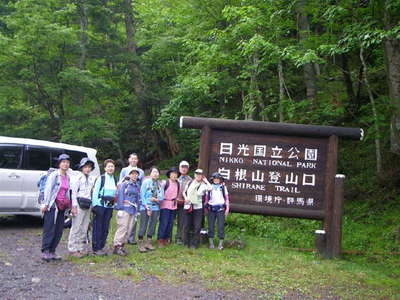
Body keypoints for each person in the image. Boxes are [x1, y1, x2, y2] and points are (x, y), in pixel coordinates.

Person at [40, 154, 72, 261]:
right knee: (49, 228)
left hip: (62, 206)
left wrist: (70, 204)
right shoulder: (54, 175)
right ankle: (45, 251)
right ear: (59, 164)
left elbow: (67, 192)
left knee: (59, 229)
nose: (65, 164)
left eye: (67, 162)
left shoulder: (67, 176)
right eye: (63, 162)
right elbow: (48, 189)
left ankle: (53, 251)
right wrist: (45, 204)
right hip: (53, 205)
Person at [68, 158, 96, 258]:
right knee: (76, 226)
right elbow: (74, 193)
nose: (87, 169)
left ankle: (80, 247)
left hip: (88, 205)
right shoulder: (77, 178)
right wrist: (74, 206)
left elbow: (91, 193)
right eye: (85, 167)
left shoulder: (92, 179)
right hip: (78, 204)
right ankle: (72, 248)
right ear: (81, 167)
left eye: (89, 167)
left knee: (84, 227)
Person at [91, 159, 117, 256]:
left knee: (105, 227)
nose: (110, 168)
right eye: (109, 166)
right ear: (105, 168)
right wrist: (95, 206)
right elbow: (95, 192)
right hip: (100, 206)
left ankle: (101, 246)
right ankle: (96, 248)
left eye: (112, 166)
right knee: (98, 227)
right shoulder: (101, 178)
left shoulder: (115, 179)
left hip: (109, 207)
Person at [113, 168, 141, 256]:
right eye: (132, 174)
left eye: (136, 174)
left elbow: (137, 199)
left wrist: (138, 210)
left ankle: (122, 245)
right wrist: (120, 208)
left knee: (129, 228)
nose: (134, 175)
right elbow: (120, 195)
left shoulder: (136, 186)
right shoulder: (124, 185)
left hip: (133, 210)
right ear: (129, 175)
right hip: (125, 209)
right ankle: (117, 246)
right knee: (122, 227)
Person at [119, 153, 144, 246]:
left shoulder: (141, 171)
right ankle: (121, 240)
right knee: (124, 221)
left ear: (137, 160)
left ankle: (131, 237)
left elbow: (141, 185)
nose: (133, 160)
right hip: (126, 198)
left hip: (136, 197)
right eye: (132, 159)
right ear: (129, 160)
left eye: (135, 159)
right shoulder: (124, 170)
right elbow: (120, 183)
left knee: (134, 219)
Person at [183, 169, 212, 249]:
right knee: (187, 225)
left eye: (200, 174)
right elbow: (184, 192)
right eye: (197, 174)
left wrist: (206, 181)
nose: (198, 176)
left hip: (198, 207)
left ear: (202, 176)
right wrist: (185, 198)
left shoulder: (203, 185)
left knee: (197, 226)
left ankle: (194, 243)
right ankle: (186, 242)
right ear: (194, 175)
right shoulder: (190, 182)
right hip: (188, 206)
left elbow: (210, 188)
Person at [137, 167, 164, 253]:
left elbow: (161, 197)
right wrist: (147, 207)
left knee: (153, 224)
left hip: (155, 207)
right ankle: (141, 243)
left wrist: (156, 200)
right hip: (145, 207)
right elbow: (142, 195)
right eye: (154, 172)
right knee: (143, 224)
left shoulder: (159, 184)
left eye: (157, 172)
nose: (155, 174)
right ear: (150, 173)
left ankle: (148, 242)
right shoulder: (146, 182)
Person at [204, 172, 230, 250]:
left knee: (220, 226)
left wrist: (227, 208)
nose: (216, 180)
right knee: (210, 226)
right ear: (212, 179)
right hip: (211, 209)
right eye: (215, 178)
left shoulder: (223, 187)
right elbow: (206, 199)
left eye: (218, 179)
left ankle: (220, 244)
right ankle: (211, 244)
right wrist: (205, 209)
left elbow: (227, 199)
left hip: (221, 209)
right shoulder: (209, 187)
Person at [157, 167, 180, 247]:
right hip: (165, 205)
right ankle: (160, 239)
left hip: (173, 205)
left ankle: (166, 238)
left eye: (176, 174)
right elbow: (158, 189)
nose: (174, 175)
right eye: (172, 173)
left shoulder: (177, 183)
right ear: (169, 175)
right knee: (164, 223)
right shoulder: (165, 182)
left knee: (170, 223)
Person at [174, 161, 192, 244]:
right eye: (182, 167)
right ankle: (167, 238)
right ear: (179, 168)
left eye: (185, 167)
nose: (184, 169)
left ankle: (179, 237)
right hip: (173, 202)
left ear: (188, 169)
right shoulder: (175, 178)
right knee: (170, 220)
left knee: (181, 221)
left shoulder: (190, 180)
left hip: (184, 203)